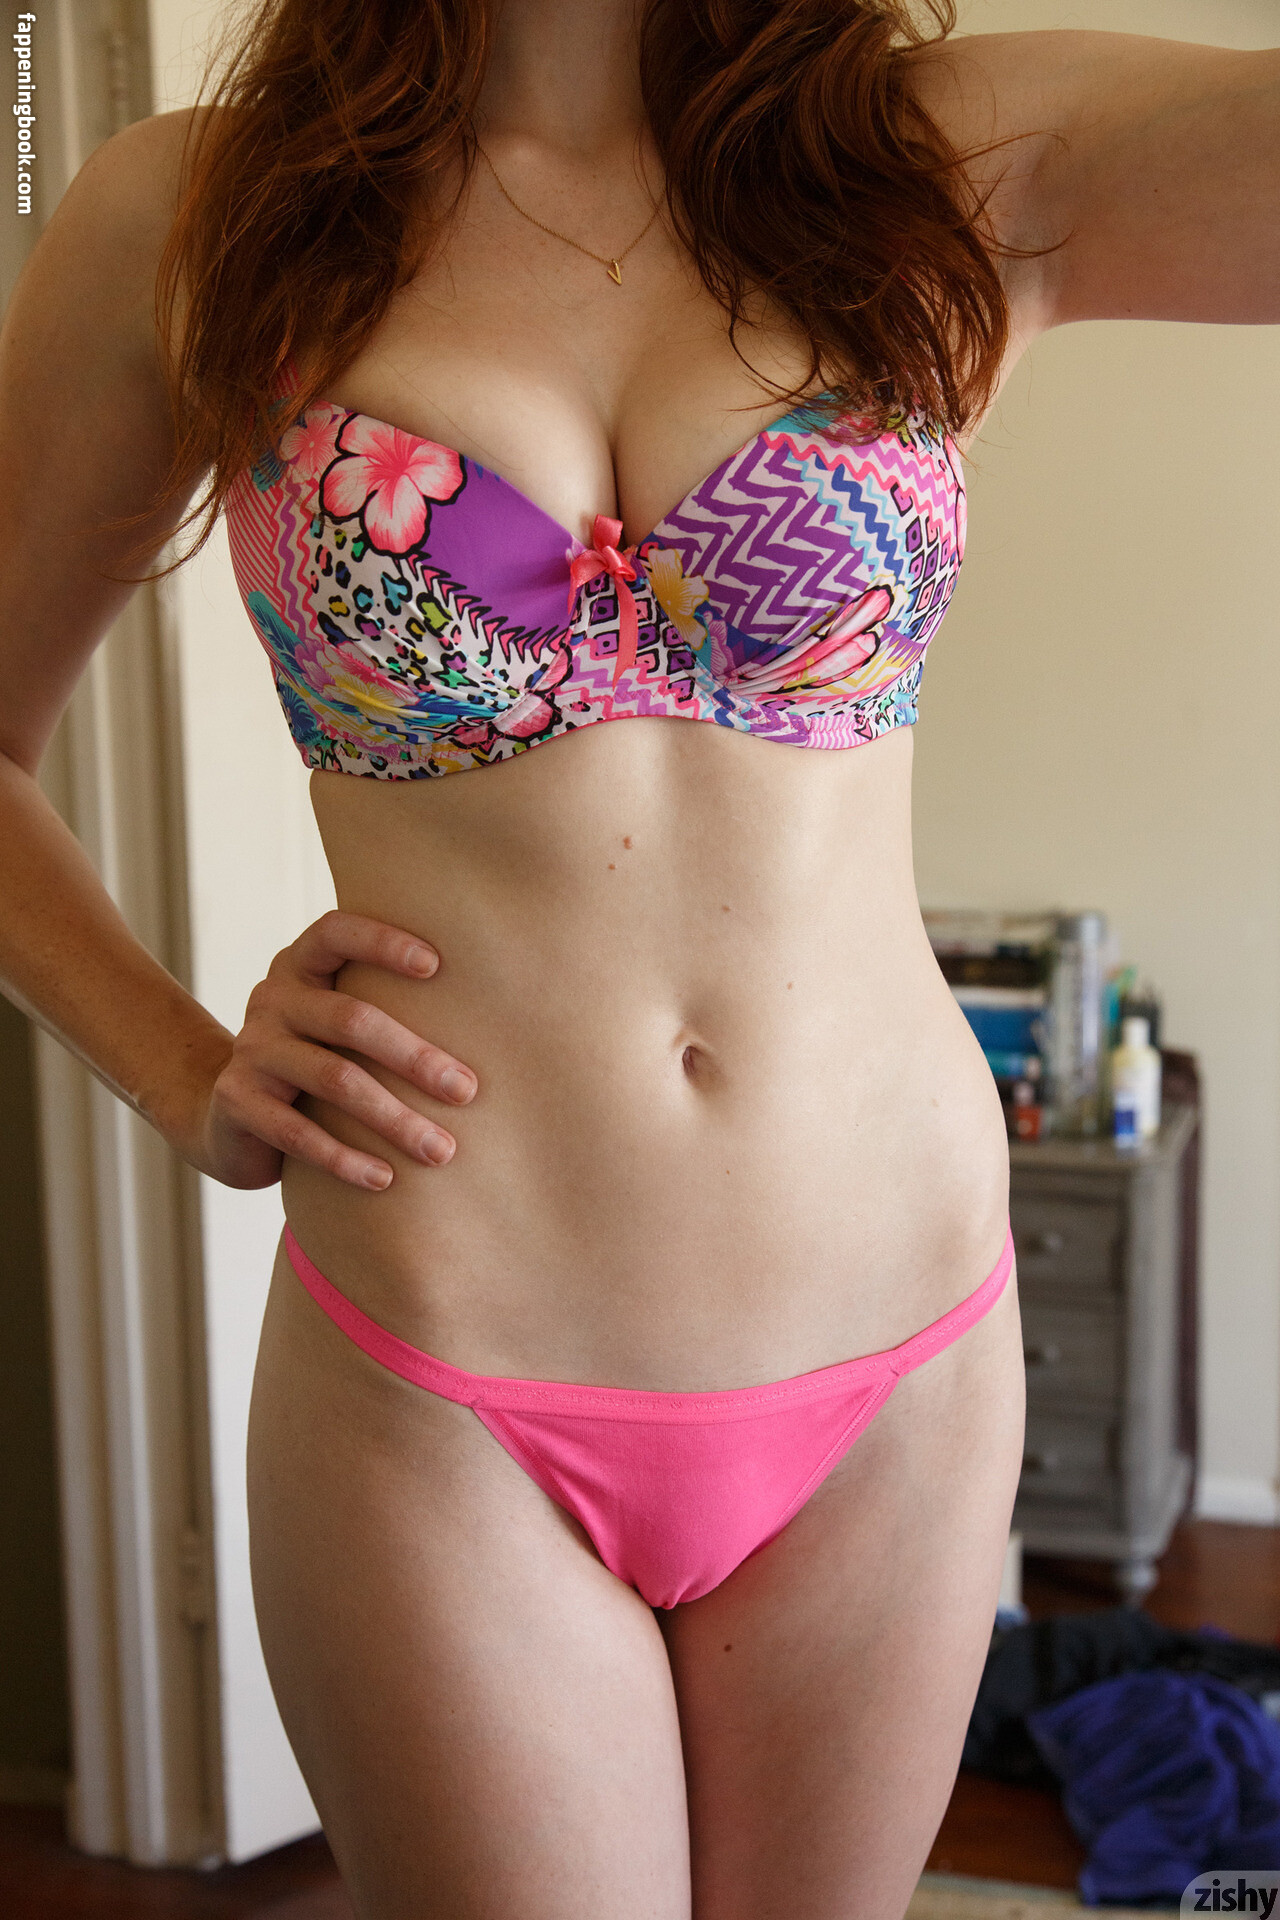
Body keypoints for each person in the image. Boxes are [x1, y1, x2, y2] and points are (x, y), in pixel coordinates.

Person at [0, 0, 1273, 1912]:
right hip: (447, 1377)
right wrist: (179, 1068)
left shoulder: (952, 155)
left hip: (896, 1353)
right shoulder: (193, 217)